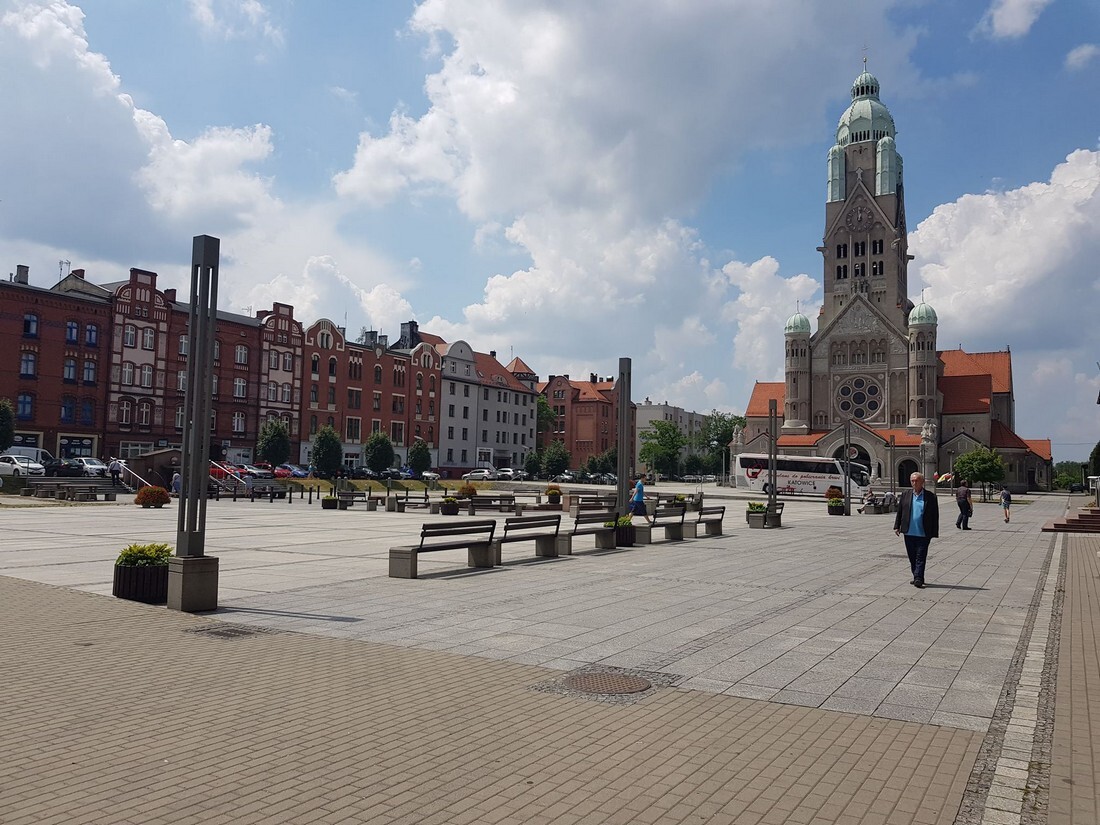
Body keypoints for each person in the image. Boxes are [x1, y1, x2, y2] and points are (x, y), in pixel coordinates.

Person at [894, 471, 939, 588]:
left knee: (921, 556)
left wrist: (934, 531)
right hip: (908, 531)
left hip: (923, 533)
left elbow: (935, 515)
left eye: (916, 481)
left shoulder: (930, 496)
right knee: (912, 557)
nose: (914, 483)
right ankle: (917, 575)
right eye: (912, 481)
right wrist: (896, 526)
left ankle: (918, 578)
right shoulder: (905, 494)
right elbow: (900, 512)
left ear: (922, 482)